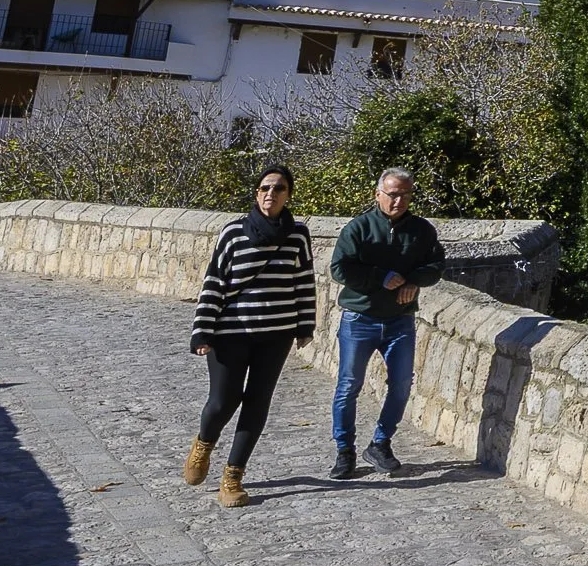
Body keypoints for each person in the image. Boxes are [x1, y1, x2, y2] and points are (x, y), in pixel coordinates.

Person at [184, 164, 317, 508]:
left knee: (258, 401)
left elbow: (304, 280)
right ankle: (203, 444)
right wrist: (202, 330)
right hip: (231, 332)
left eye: (279, 188)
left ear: (288, 195)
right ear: (256, 193)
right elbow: (214, 281)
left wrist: (305, 325)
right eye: (265, 188)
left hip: (276, 334)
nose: (271, 193)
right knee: (223, 400)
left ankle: (233, 476)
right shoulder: (233, 232)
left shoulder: (298, 235)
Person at [327, 166, 446, 479]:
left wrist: (415, 280)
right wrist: (380, 278)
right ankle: (344, 450)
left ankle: (380, 443)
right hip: (360, 318)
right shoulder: (359, 228)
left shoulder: (421, 230)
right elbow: (339, 268)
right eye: (392, 194)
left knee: (402, 384)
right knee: (349, 385)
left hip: (399, 320)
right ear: (378, 194)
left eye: (405, 195)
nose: (398, 201)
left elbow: (436, 265)